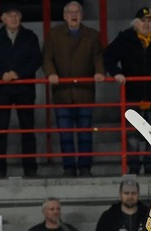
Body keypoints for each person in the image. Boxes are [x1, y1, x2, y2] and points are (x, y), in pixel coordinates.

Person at [103, 7, 151, 174]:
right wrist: (116, 73)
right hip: (132, 93)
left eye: (149, 21)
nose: (146, 24)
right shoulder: (125, 38)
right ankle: (133, 166)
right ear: (135, 23)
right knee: (132, 134)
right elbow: (108, 56)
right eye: (143, 21)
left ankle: (150, 166)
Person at [42, 1, 105, 177]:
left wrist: (100, 72)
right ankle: (69, 167)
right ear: (64, 16)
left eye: (76, 11)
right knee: (65, 134)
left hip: (84, 91)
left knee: (85, 133)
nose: (73, 15)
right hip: (62, 92)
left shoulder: (92, 35)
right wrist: (51, 74)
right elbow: (47, 58)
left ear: (82, 15)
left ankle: (85, 167)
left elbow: (98, 57)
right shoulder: (54, 35)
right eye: (70, 12)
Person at [0, 3, 41, 178]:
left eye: (16, 15)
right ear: (3, 18)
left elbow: (36, 59)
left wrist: (19, 74)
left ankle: (30, 168)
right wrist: (2, 75)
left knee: (27, 129)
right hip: (2, 90)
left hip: (25, 89)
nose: (13, 18)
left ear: (21, 17)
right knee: (0, 130)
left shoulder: (30, 37)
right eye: (10, 15)